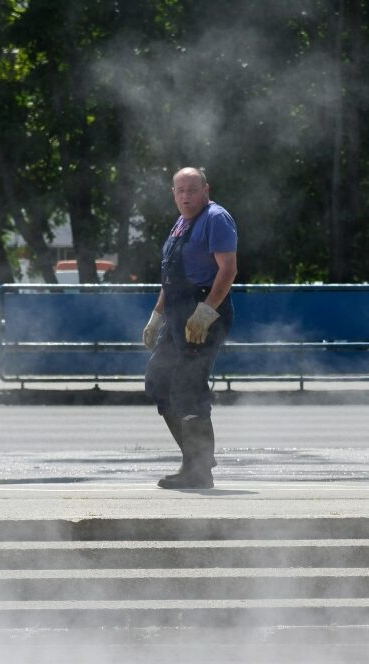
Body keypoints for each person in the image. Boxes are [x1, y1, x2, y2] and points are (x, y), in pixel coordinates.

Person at [142, 166, 238, 490]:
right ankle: (195, 459)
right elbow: (171, 276)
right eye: (180, 190)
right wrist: (156, 317)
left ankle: (198, 470)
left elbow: (228, 270)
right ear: (173, 193)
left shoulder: (216, 218)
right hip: (176, 315)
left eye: (192, 190)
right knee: (158, 381)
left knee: (186, 387)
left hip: (204, 313)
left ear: (205, 190)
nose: (186, 196)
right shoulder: (181, 224)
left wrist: (206, 312)